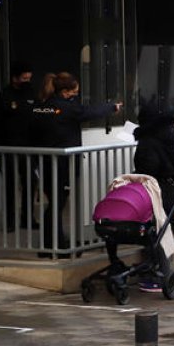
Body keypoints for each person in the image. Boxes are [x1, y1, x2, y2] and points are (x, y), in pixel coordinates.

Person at [29, 72, 121, 252]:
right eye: (74, 92)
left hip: (45, 161)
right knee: (57, 204)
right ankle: (54, 245)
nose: (76, 95)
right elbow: (90, 112)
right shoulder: (65, 108)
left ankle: (51, 243)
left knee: (54, 203)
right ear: (64, 91)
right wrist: (112, 107)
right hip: (61, 163)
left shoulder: (42, 106)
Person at [0, 61, 35, 230]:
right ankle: (10, 221)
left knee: (30, 182)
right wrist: (1, 141)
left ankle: (27, 218)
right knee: (11, 185)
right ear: (14, 78)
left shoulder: (32, 95)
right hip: (9, 148)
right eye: (23, 78)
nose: (27, 81)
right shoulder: (1, 99)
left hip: (29, 148)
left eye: (29, 78)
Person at [133, 98, 174, 217]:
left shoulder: (147, 142)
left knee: (157, 231)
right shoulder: (172, 135)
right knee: (169, 227)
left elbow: (148, 168)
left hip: (154, 192)